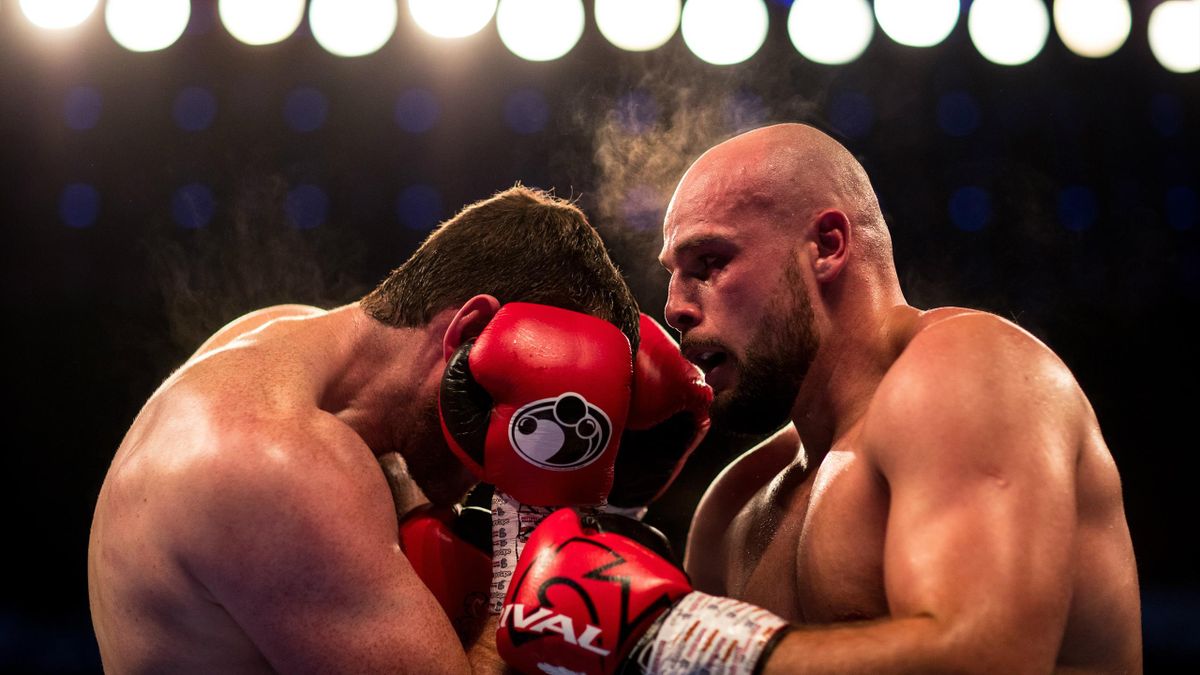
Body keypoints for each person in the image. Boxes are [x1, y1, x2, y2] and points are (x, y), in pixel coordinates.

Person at [494, 124, 1142, 674]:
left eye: (709, 263)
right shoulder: (733, 506)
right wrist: (567, 526)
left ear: (827, 246)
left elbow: (988, 658)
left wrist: (691, 641)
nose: (675, 308)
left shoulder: (971, 370)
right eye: (673, 275)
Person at [87, 185, 643, 674]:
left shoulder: (276, 333)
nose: (501, 470)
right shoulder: (284, 465)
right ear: (469, 336)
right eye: (526, 418)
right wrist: (533, 551)